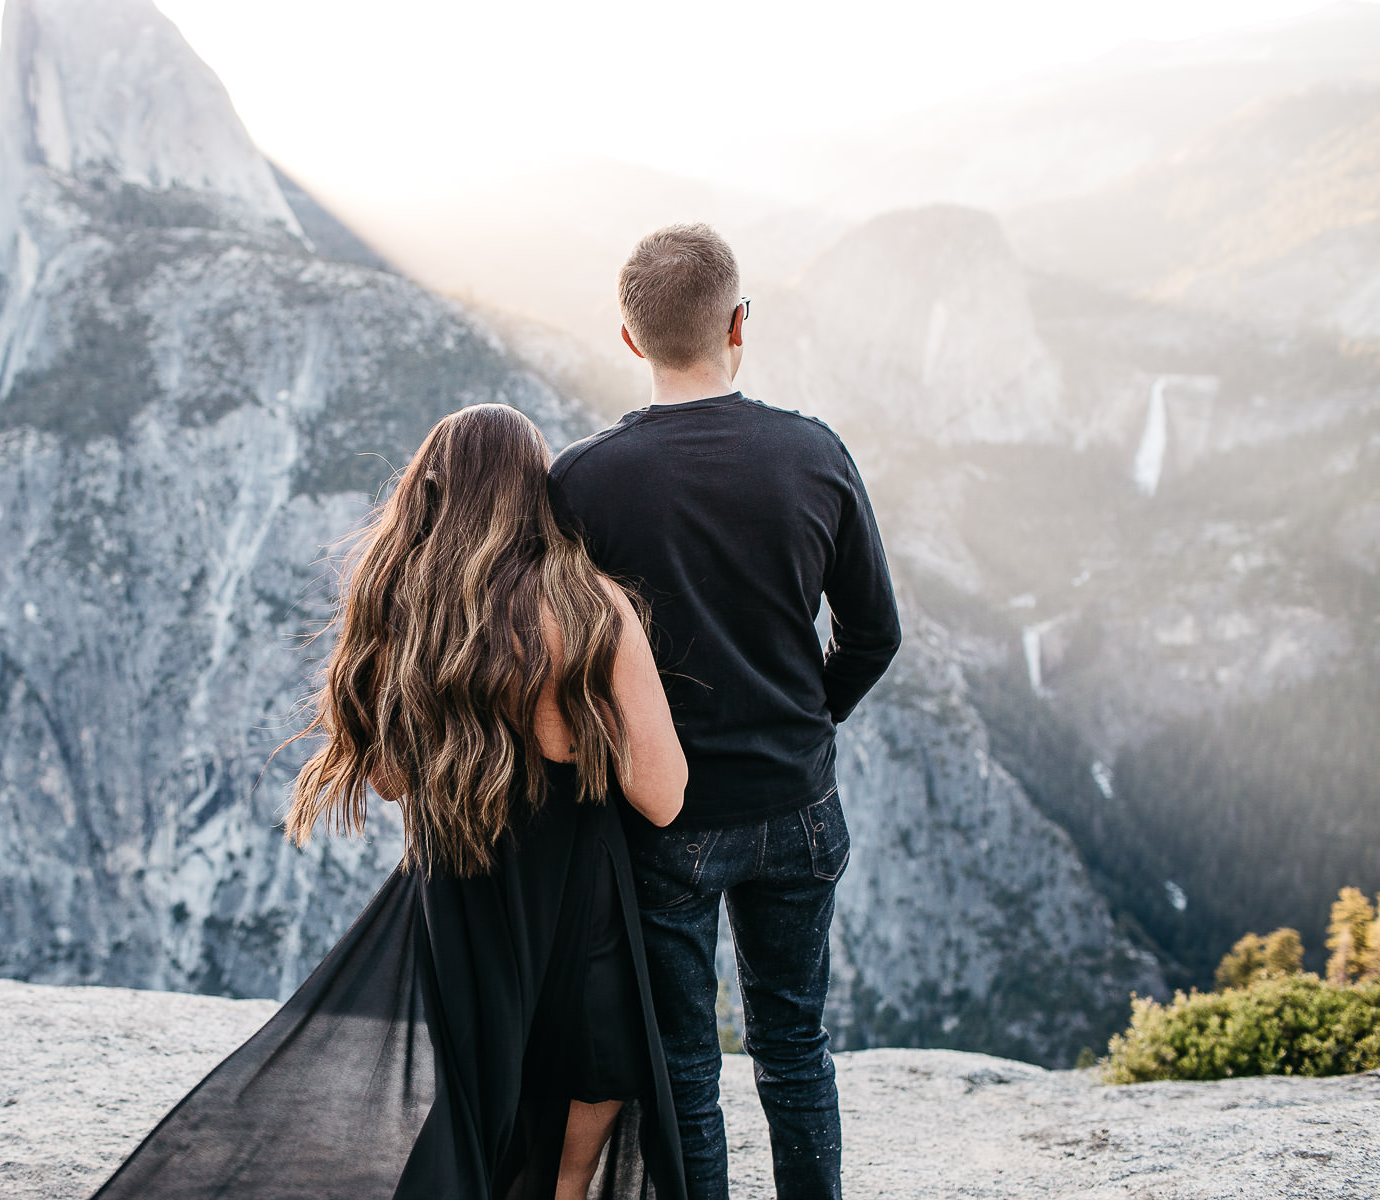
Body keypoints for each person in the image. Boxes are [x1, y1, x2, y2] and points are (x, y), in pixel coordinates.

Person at [92, 403, 690, 1200]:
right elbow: (662, 797)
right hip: (575, 880)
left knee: (481, 1087)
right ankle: (566, 1193)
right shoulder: (591, 606)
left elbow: (389, 780)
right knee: (600, 1061)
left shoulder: (407, 605)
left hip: (463, 875)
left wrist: (478, 720)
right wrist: (573, 728)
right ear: (534, 492)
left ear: (431, 491)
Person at [548, 224, 902, 1200]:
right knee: (795, 1047)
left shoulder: (583, 481)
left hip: (667, 820)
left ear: (629, 340)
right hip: (797, 802)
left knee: (685, 1066)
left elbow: (563, 662)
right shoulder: (813, 454)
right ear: (740, 323)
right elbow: (875, 635)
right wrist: (806, 723)